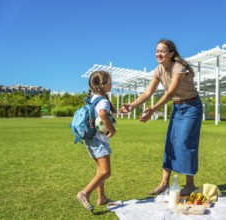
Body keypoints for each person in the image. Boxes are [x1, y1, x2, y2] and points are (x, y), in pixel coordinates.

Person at [120, 39, 203, 196]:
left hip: (192, 107)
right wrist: (132, 106)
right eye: (157, 51)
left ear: (171, 53)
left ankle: (190, 184)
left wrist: (152, 110)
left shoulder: (179, 67)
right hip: (178, 107)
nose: (159, 53)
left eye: (163, 51)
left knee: (186, 142)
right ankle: (164, 183)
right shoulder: (158, 70)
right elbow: (147, 93)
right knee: (170, 142)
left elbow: (170, 92)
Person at [76, 70, 116, 213]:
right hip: (99, 141)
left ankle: (102, 197)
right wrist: (112, 130)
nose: (112, 83)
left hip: (90, 139)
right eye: (110, 81)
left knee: (100, 170)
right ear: (103, 85)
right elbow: (102, 114)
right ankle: (84, 193)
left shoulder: (93, 98)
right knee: (105, 172)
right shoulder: (103, 100)